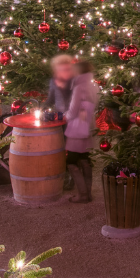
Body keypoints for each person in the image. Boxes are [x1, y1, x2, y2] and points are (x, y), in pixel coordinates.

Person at [45, 56, 100, 203]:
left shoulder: (79, 87)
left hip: (76, 128)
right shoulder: (93, 85)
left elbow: (73, 111)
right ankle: (88, 193)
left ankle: (82, 195)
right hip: (88, 125)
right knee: (85, 158)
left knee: (72, 160)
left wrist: (62, 116)